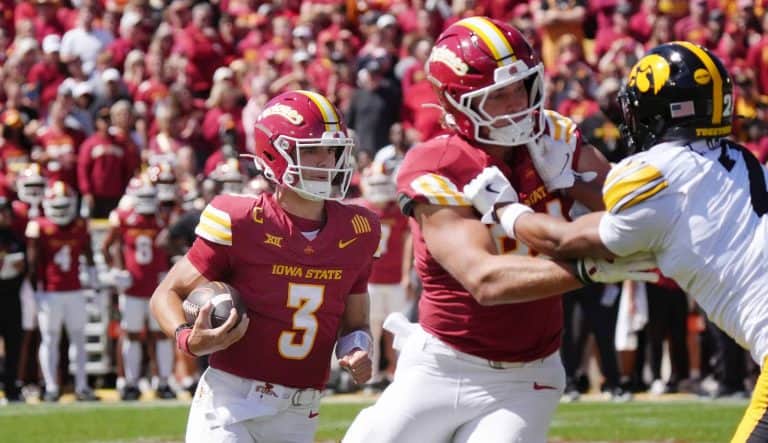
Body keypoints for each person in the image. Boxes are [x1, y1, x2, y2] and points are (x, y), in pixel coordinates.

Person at [343, 17, 656, 443]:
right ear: (456, 103)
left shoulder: (555, 137)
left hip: (526, 378)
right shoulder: (436, 163)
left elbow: (635, 214)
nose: (516, 104)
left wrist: (577, 182)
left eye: (520, 87)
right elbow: (486, 280)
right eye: (497, 95)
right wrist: (587, 270)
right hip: (441, 364)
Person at [460, 41, 768, 442]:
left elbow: (570, 239)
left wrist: (507, 210)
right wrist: (571, 181)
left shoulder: (651, 173)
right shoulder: (742, 160)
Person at [150, 90, 380, 442]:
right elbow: (167, 293)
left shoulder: (359, 229)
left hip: (301, 409)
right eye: (313, 149)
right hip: (232, 401)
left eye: (332, 150)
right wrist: (186, 338)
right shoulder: (241, 220)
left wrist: (357, 348)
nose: (326, 161)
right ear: (276, 154)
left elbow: (355, 322)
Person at [102, 176, 175, 401]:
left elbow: (173, 245)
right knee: (132, 335)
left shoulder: (163, 217)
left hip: (157, 287)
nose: (146, 201)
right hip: (133, 287)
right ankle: (128, 383)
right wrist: (115, 270)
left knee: (161, 336)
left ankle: (163, 382)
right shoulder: (123, 217)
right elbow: (107, 246)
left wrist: (170, 267)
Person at [26, 180, 100, 402]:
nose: (60, 212)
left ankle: (81, 386)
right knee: (50, 339)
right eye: (56, 207)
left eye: (63, 206)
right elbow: (32, 262)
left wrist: (94, 281)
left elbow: (88, 255)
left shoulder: (79, 225)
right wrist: (34, 290)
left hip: (74, 290)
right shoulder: (38, 225)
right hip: (49, 291)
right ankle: (50, 386)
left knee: (78, 338)